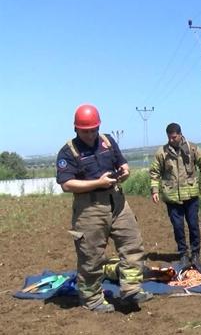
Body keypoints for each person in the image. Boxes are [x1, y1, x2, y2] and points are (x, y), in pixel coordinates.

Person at [56, 104, 153, 313]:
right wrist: (97, 183)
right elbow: (66, 184)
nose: (91, 135)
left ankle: (131, 289)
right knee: (91, 256)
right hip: (88, 208)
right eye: (86, 131)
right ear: (76, 129)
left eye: (94, 130)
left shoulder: (108, 141)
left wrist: (125, 172)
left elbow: (123, 164)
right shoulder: (68, 152)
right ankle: (92, 299)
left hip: (117, 202)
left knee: (132, 244)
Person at [149, 123, 201, 269]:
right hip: (172, 197)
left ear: (180, 134)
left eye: (174, 137)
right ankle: (183, 255)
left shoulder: (192, 148)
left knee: (194, 226)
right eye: (169, 137)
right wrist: (155, 190)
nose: (171, 140)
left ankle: (195, 255)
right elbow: (154, 172)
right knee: (178, 227)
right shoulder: (162, 153)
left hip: (191, 195)